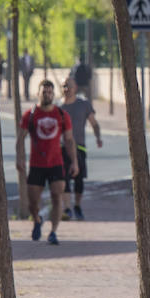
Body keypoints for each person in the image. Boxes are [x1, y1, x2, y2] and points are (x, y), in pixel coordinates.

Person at [17, 79, 77, 245]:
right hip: (36, 165)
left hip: (56, 163)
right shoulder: (30, 115)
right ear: (38, 94)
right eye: (44, 92)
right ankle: (37, 219)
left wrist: (74, 162)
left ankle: (53, 232)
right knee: (33, 203)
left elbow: (70, 140)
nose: (47, 95)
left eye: (50, 92)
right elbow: (20, 139)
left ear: (53, 94)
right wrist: (20, 159)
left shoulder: (61, 115)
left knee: (57, 196)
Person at [60, 77, 102, 221]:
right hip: (62, 147)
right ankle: (66, 208)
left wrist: (98, 137)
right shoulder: (58, 108)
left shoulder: (83, 105)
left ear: (75, 87)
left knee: (79, 180)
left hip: (79, 147)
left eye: (69, 86)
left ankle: (77, 205)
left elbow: (94, 123)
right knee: (64, 179)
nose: (66, 89)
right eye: (64, 86)